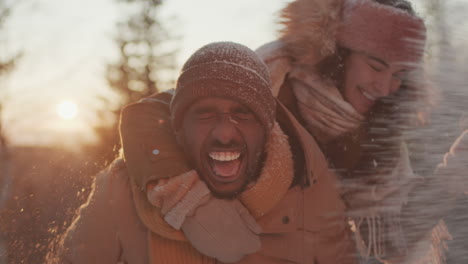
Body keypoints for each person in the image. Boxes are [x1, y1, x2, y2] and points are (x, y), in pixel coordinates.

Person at [119, 0, 468, 263]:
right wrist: (191, 202)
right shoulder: (272, 77)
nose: (386, 86)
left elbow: (389, 240)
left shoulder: (376, 138)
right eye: (376, 66)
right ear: (340, 53)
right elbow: (147, 116)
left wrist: (454, 173)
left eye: (400, 74)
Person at [48, 42, 357, 264]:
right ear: (179, 128)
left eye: (243, 114)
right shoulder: (122, 191)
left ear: (267, 128)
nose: (224, 133)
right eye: (205, 115)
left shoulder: (312, 195)